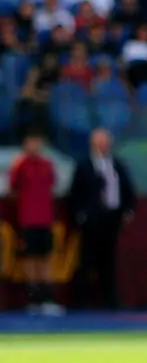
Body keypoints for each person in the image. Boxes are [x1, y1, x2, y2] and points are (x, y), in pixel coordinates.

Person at [70, 128, 136, 308]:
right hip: (91, 221)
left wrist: (127, 211)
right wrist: (80, 215)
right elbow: (75, 193)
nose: (103, 145)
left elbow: (128, 190)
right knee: (86, 261)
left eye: (106, 141)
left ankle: (110, 299)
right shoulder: (84, 166)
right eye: (99, 141)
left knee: (109, 261)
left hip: (112, 220)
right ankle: (81, 301)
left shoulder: (117, 165)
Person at [7, 130, 58, 311]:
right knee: (29, 259)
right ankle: (33, 299)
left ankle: (48, 299)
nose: (34, 146)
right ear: (25, 144)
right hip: (27, 221)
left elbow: (53, 186)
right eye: (31, 142)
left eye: (37, 142)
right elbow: (12, 188)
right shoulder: (19, 165)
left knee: (45, 259)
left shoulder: (47, 165)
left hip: (45, 220)